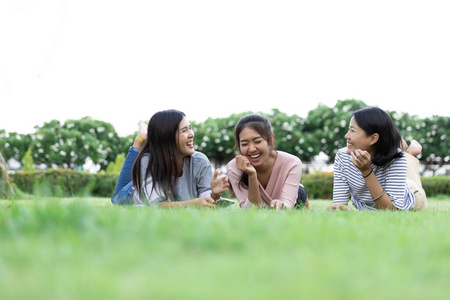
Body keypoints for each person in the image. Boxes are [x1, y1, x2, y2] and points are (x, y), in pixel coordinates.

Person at [111, 109, 229, 207]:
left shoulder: (200, 161)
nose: (191, 134)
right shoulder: (148, 161)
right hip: (132, 191)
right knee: (116, 198)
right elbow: (157, 205)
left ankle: (146, 134)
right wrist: (194, 204)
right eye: (184, 130)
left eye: (190, 128)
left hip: (148, 179)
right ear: (167, 138)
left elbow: (206, 201)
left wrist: (214, 195)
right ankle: (140, 139)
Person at [328, 107, 427, 211]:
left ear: (373, 138)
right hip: (388, 178)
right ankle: (402, 146)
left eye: (352, 130)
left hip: (412, 194)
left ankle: (412, 152)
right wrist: (339, 208)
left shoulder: (396, 159)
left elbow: (390, 209)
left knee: (405, 160)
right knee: (400, 156)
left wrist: (366, 171)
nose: (346, 136)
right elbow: (340, 203)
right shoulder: (343, 156)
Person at [226, 114, 309, 210]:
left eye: (257, 141)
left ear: (270, 139)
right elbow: (250, 210)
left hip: (296, 194)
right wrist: (252, 175)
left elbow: (287, 205)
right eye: (244, 144)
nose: (252, 149)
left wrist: (281, 204)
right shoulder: (233, 168)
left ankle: (305, 200)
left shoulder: (292, 163)